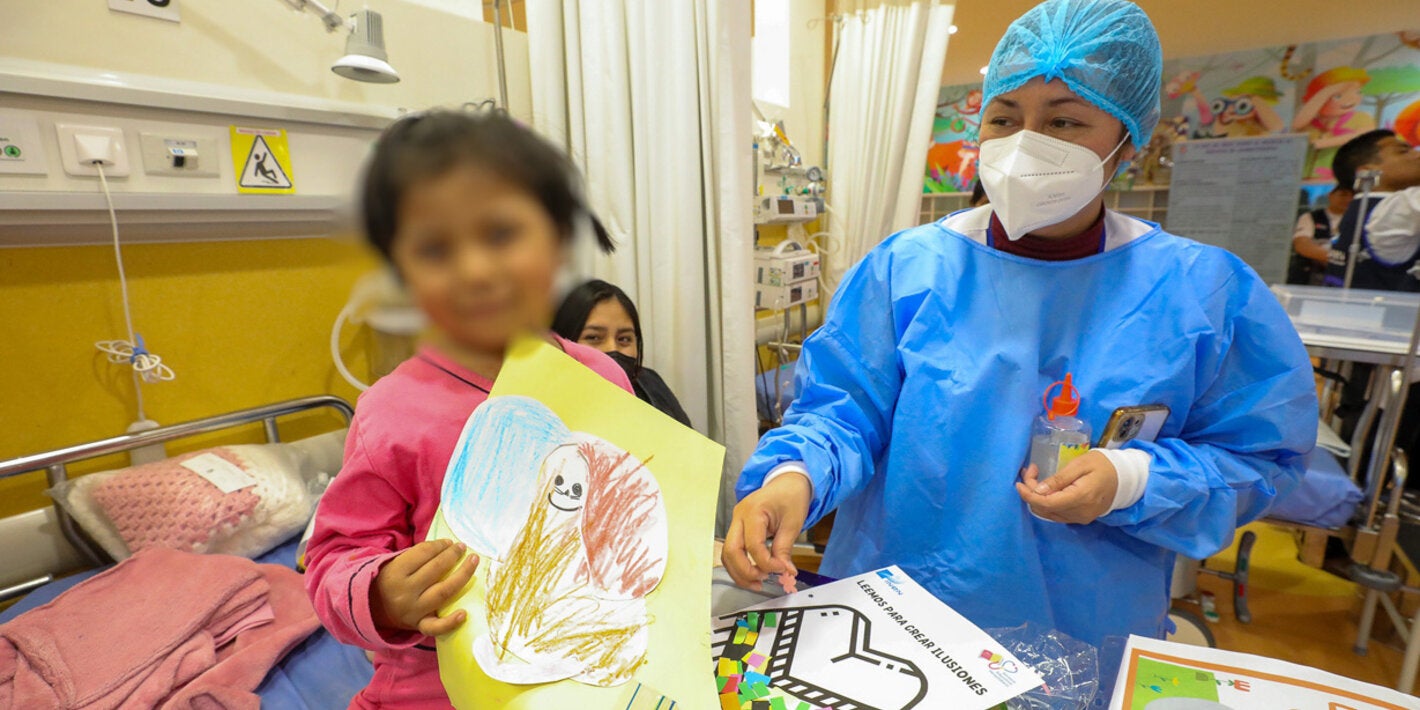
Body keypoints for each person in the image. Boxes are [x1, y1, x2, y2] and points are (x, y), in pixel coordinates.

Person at [722, 0, 1317, 648]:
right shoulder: (906, 270)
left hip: (1080, 635)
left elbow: (1257, 455)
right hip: (891, 621)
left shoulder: (1201, 294)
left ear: (1127, 140)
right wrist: (791, 480)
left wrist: (1133, 479)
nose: (1024, 145)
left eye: (1064, 120)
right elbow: (841, 414)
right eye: (1004, 118)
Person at [304, 110, 633, 709]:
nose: (476, 269)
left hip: (584, 668)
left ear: (557, 240)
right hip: (436, 689)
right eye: (434, 248)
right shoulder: (391, 413)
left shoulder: (603, 376)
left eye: (501, 234)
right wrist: (379, 595)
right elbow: (331, 558)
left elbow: (623, 503)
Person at [552, 279, 693, 427]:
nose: (612, 348)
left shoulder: (650, 383)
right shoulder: (544, 410)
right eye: (593, 337)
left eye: (624, 339)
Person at [1324, 129, 1420, 291]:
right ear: (1367, 172)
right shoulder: (1394, 209)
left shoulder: (1361, 210)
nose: (1417, 155)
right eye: (1403, 151)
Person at [1288, 185, 1352, 285]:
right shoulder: (1311, 217)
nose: (1347, 199)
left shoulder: (1357, 220)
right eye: (1343, 195)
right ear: (1330, 195)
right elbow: (1302, 245)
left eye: (1352, 196)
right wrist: (1337, 258)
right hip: (1308, 277)